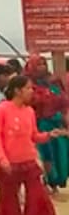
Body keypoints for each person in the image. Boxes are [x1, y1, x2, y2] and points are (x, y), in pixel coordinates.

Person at [0, 74, 64, 215]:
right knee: (9, 200)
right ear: (17, 90)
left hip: (28, 161)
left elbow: (33, 136)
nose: (32, 92)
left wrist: (48, 135)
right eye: (28, 88)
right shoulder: (2, 109)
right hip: (8, 163)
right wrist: (2, 159)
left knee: (39, 198)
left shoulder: (29, 111)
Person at [28, 56, 69, 194]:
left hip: (58, 125)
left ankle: (57, 182)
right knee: (46, 155)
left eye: (44, 64)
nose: (42, 67)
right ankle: (47, 183)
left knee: (61, 154)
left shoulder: (54, 83)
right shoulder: (28, 86)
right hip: (40, 125)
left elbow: (64, 104)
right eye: (38, 65)